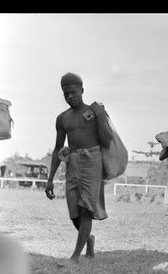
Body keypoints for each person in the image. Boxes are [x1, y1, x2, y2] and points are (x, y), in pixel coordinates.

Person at [45, 73, 113, 264]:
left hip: (93, 160)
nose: (70, 96)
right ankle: (88, 240)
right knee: (74, 212)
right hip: (73, 162)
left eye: (73, 92)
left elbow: (107, 140)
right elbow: (58, 148)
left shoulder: (94, 112)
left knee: (86, 210)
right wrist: (50, 179)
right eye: (66, 93)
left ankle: (74, 257)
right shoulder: (62, 118)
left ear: (82, 90)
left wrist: (100, 115)